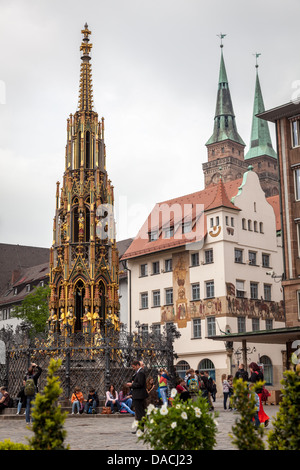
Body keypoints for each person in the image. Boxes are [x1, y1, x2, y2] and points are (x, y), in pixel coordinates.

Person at [126, 360, 148, 431]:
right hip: (138, 395)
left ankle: (140, 429)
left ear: (138, 365)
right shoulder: (138, 373)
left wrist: (132, 385)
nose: (133, 368)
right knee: (139, 413)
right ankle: (140, 428)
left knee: (140, 413)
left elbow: (140, 384)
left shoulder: (141, 372)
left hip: (139, 395)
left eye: (134, 367)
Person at [249, 362, 269, 427]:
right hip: (260, 391)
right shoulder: (260, 373)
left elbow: (252, 383)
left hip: (255, 392)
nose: (250, 369)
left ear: (252, 368)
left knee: (256, 408)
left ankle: (259, 420)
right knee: (260, 407)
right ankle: (264, 419)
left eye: (250, 368)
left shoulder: (254, 374)